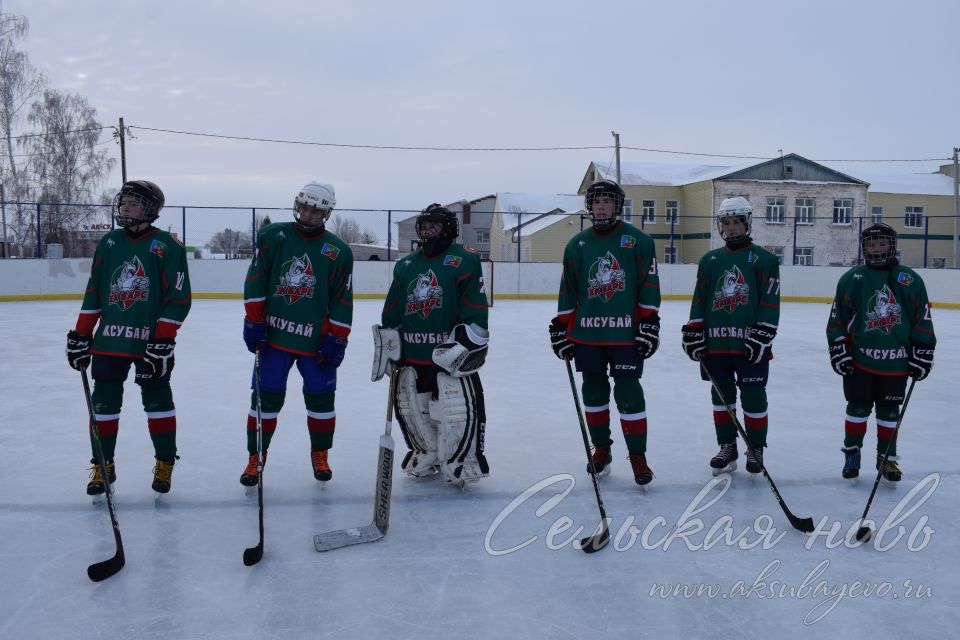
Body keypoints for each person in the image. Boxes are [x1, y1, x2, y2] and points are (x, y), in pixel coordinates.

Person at [65, 180, 192, 496]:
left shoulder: (167, 246)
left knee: (157, 402)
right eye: (122, 202)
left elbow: (178, 298)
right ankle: (102, 463)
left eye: (132, 203)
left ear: (150, 209)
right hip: (109, 342)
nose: (124, 207)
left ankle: (165, 462)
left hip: (150, 343)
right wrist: (82, 334)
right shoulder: (109, 243)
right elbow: (95, 291)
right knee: (104, 404)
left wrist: (163, 340)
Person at [239, 182, 353, 486]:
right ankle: (256, 457)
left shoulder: (338, 251)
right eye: (304, 206)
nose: (308, 214)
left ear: (326, 213)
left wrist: (337, 337)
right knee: (265, 400)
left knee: (321, 400)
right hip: (274, 339)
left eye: (316, 210)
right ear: (296, 205)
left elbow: (342, 298)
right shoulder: (273, 235)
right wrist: (254, 321)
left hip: (315, 341)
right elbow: (256, 280)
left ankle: (320, 453)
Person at [549, 179, 660, 486]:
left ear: (617, 205)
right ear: (589, 206)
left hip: (626, 334)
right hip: (588, 335)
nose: (601, 206)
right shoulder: (577, 244)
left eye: (607, 201)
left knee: (628, 392)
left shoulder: (638, 241)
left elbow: (648, 284)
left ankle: (638, 455)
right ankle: (602, 449)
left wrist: (649, 322)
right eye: (596, 201)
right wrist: (561, 326)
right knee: (594, 392)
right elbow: (568, 290)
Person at [373, 203, 490, 487]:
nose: (428, 232)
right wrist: (389, 340)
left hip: (448, 356)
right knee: (414, 406)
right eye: (424, 226)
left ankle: (463, 457)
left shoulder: (464, 260)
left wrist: (467, 342)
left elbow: (475, 308)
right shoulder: (406, 265)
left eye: (434, 226)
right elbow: (392, 310)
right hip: (414, 354)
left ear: (448, 229)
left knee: (455, 409)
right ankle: (427, 451)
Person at [826, 222, 935, 483]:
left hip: (896, 362)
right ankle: (851, 455)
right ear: (864, 247)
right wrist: (838, 348)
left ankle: (887, 458)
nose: (877, 248)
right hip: (860, 360)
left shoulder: (908, 279)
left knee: (889, 411)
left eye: (882, 243)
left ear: (892, 245)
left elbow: (922, 317)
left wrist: (923, 350)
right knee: (857, 408)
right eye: (871, 244)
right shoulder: (853, 278)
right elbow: (837, 319)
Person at [680, 196, 780, 476]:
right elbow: (700, 299)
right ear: (720, 226)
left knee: (754, 396)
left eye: (737, 222)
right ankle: (728, 446)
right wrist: (694, 330)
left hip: (750, 344)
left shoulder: (766, 260)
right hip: (717, 343)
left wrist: (764, 333)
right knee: (721, 396)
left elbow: (770, 301)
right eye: (727, 223)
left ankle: (755, 448)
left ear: (747, 223)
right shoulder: (710, 260)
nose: (732, 228)